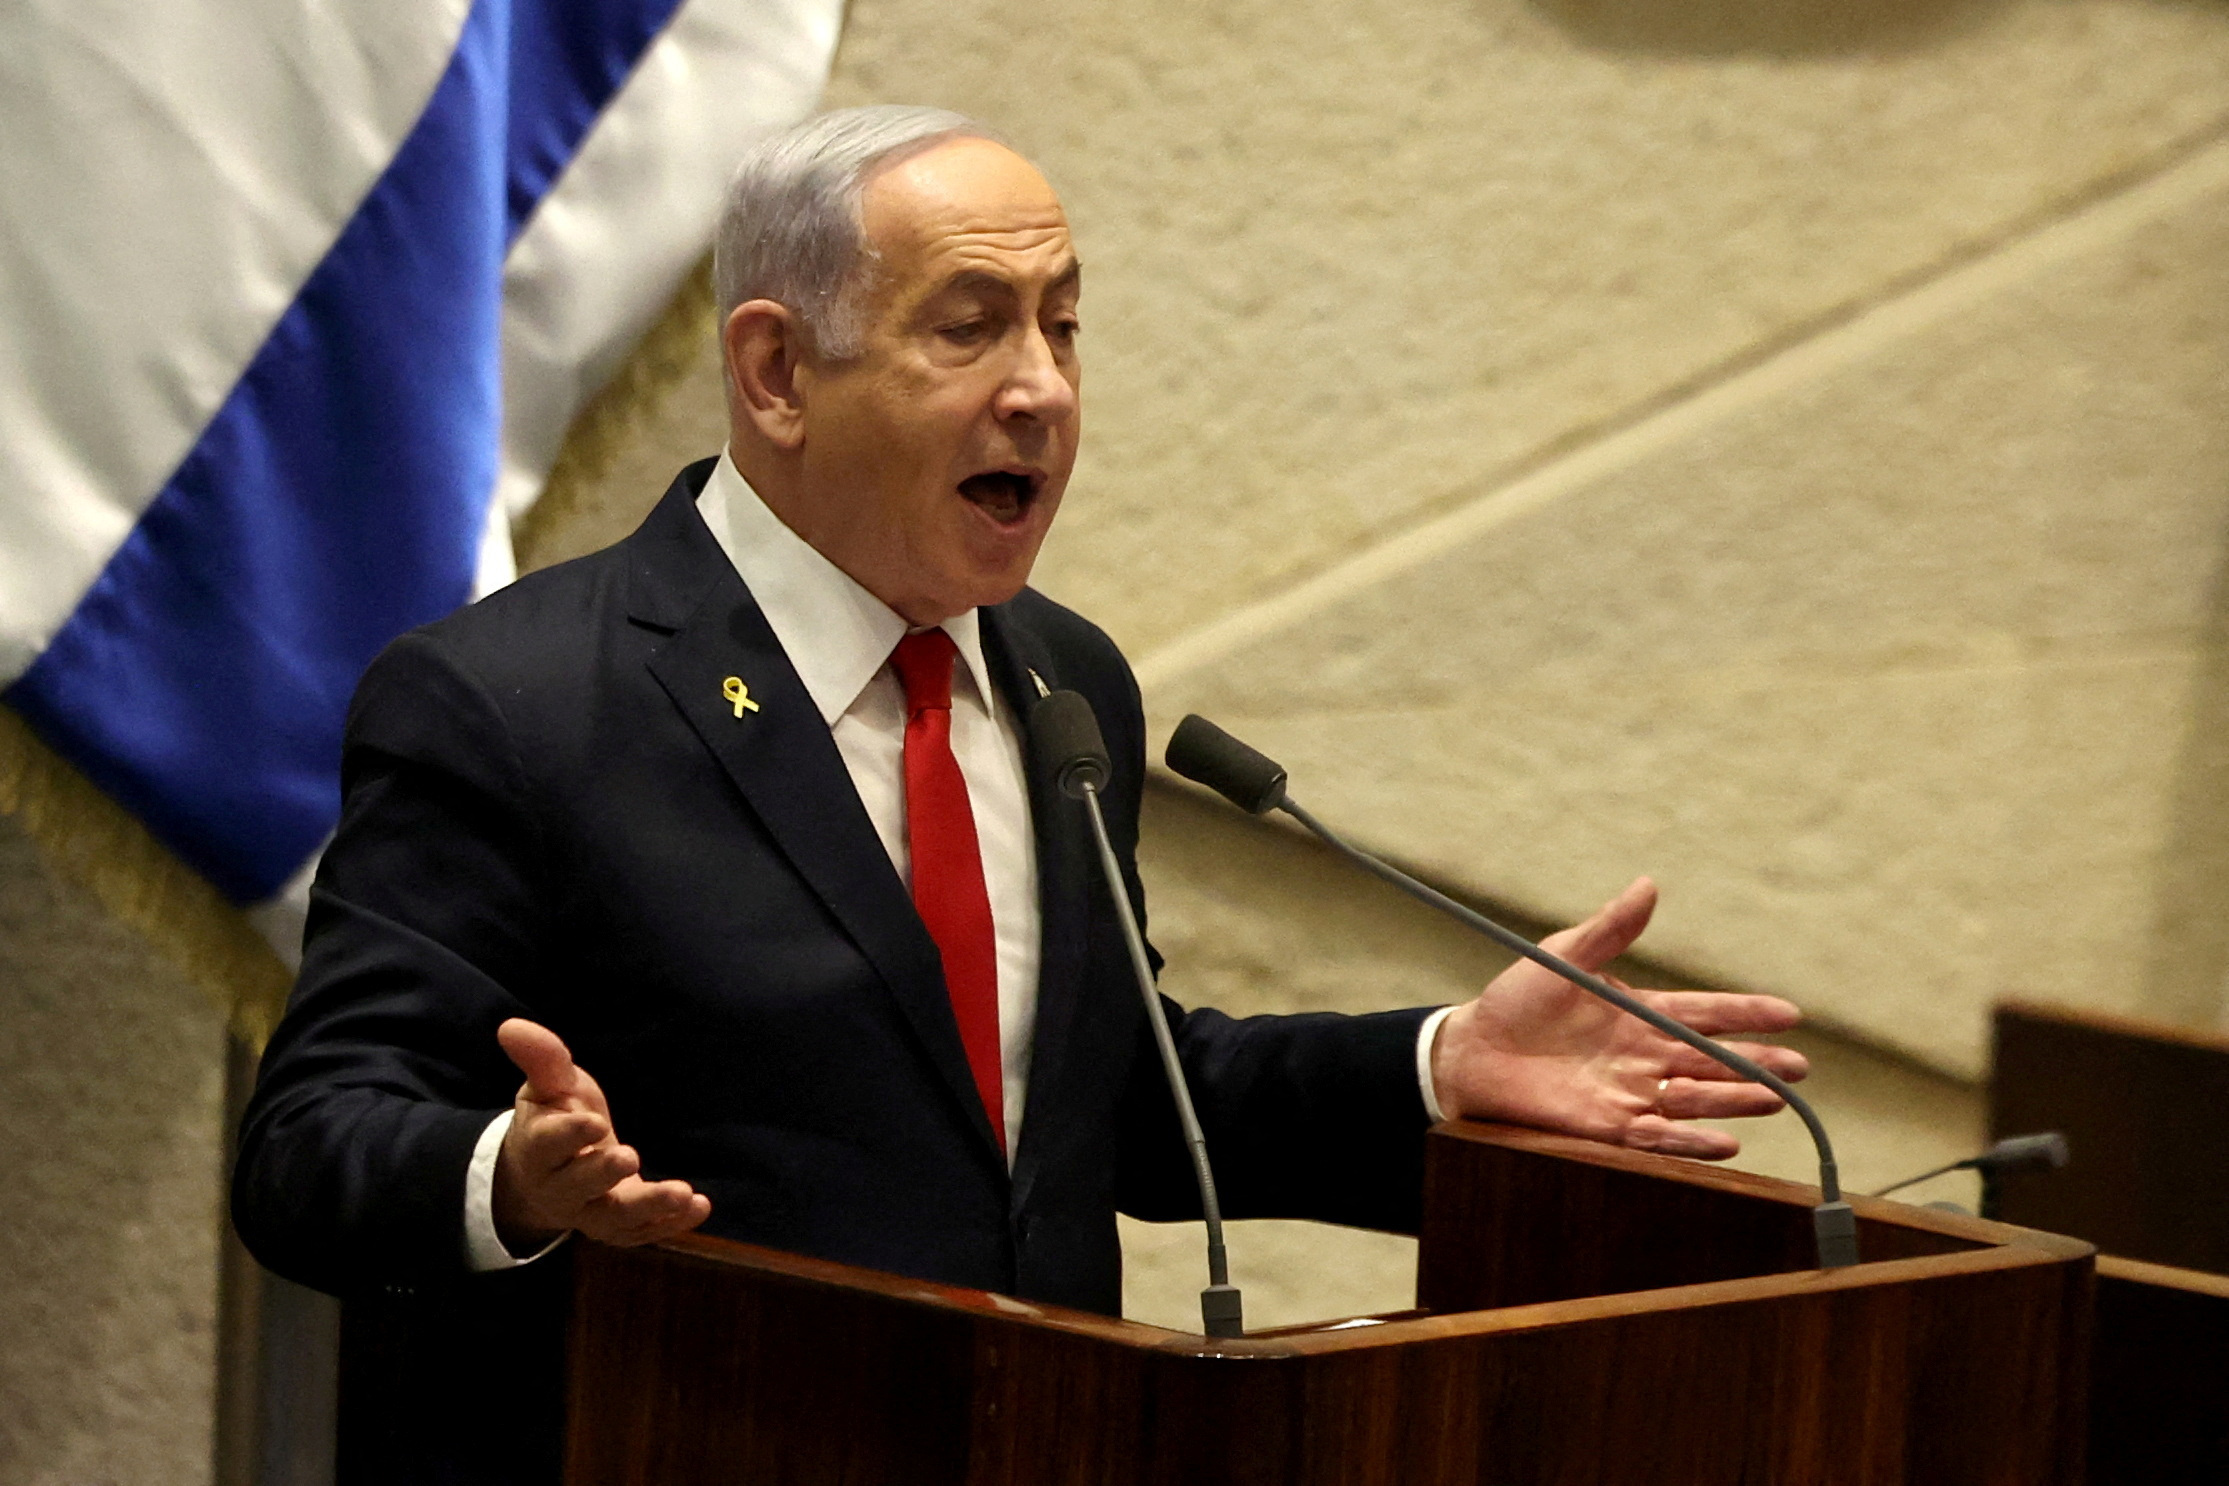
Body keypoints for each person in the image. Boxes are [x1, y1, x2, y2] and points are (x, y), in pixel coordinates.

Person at [233, 105, 1806, 1484]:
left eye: (1063, 324)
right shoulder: (510, 699)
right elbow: (308, 1147)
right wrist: (507, 1179)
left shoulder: (1064, 682)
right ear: (776, 370)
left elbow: (1094, 1099)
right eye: (970, 325)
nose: (1041, 389)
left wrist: (1435, 1064)